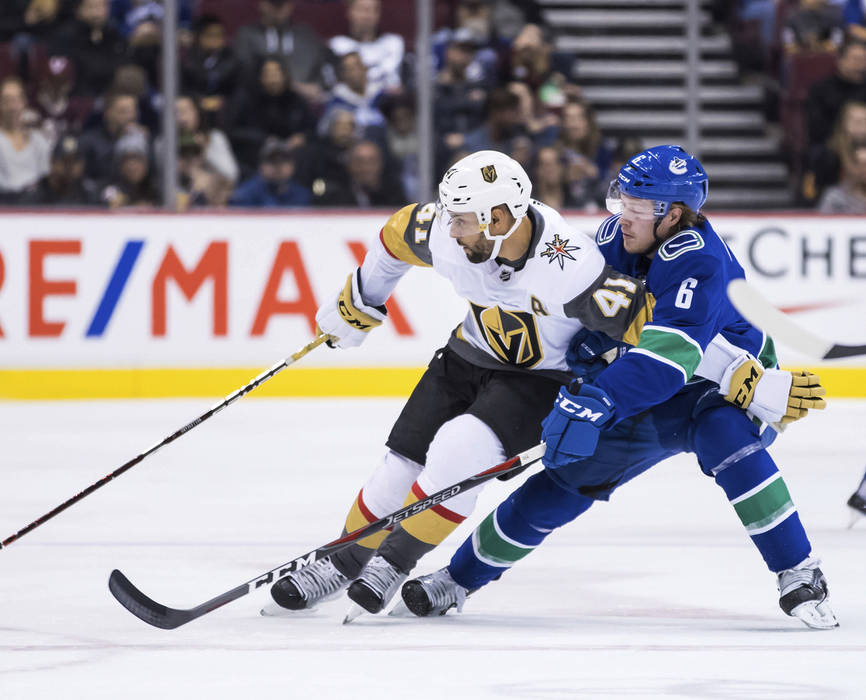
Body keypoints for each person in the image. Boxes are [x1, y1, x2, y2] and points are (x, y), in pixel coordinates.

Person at [400, 145, 837, 630]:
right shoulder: (614, 238)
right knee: (562, 481)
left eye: (635, 209)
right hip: (647, 389)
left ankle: (800, 571)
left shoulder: (699, 260)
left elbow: (668, 358)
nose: (621, 218)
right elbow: (590, 323)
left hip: (713, 390)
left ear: (672, 215)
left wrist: (599, 398)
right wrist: (584, 381)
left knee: (727, 440)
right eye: (620, 202)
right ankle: (458, 580)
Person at [268, 149, 658, 616]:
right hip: (465, 356)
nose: (450, 230)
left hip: (538, 380)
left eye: (463, 221)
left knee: (460, 450)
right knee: (400, 465)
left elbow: (660, 328)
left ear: (499, 218)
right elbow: (396, 235)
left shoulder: (569, 265)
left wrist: (736, 371)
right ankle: (343, 561)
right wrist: (361, 301)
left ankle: (392, 563)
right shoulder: (447, 232)